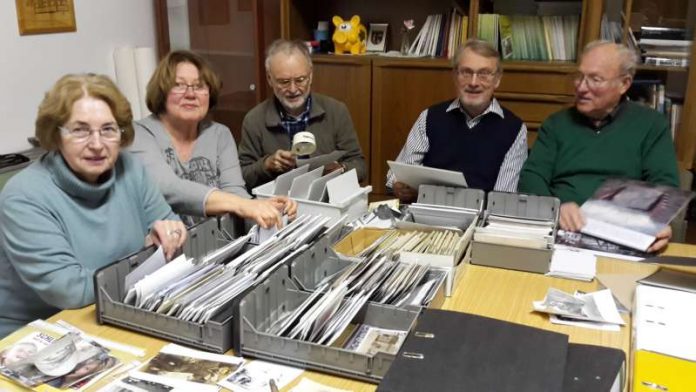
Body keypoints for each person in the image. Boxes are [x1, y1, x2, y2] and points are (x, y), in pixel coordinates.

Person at [0, 74, 187, 339]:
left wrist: (173, 234)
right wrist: (146, 259)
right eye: (80, 130)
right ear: (56, 134)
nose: (97, 144)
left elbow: (169, 225)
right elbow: (69, 290)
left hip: (113, 311)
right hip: (37, 333)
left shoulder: (130, 168)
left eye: (108, 129)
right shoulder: (24, 196)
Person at [518, 40, 679, 252]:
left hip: (623, 237)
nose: (581, 87)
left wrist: (657, 225)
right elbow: (531, 177)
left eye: (595, 79)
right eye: (580, 76)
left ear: (624, 84)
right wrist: (555, 206)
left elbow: (665, 187)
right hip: (561, 234)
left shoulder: (651, 125)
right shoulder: (556, 124)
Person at [129, 50, 297, 227]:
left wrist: (267, 207)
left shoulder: (220, 134)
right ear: (162, 91)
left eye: (199, 86)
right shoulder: (139, 134)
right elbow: (168, 188)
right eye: (179, 85)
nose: (190, 94)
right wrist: (245, 205)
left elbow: (235, 191)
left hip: (215, 245)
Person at [386, 39, 528, 203]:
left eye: (484, 74)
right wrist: (399, 185)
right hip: (427, 214)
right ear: (455, 76)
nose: (474, 82)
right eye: (466, 72)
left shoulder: (514, 129)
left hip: (480, 221)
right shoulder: (429, 117)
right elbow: (396, 175)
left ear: (497, 79)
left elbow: (503, 200)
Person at [238, 39, 366, 189]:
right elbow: (242, 177)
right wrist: (266, 165)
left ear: (310, 76)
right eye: (284, 82)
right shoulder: (254, 119)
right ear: (269, 79)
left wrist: (341, 169)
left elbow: (360, 165)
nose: (293, 89)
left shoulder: (336, 111)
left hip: (326, 201)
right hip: (276, 205)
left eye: (300, 80)